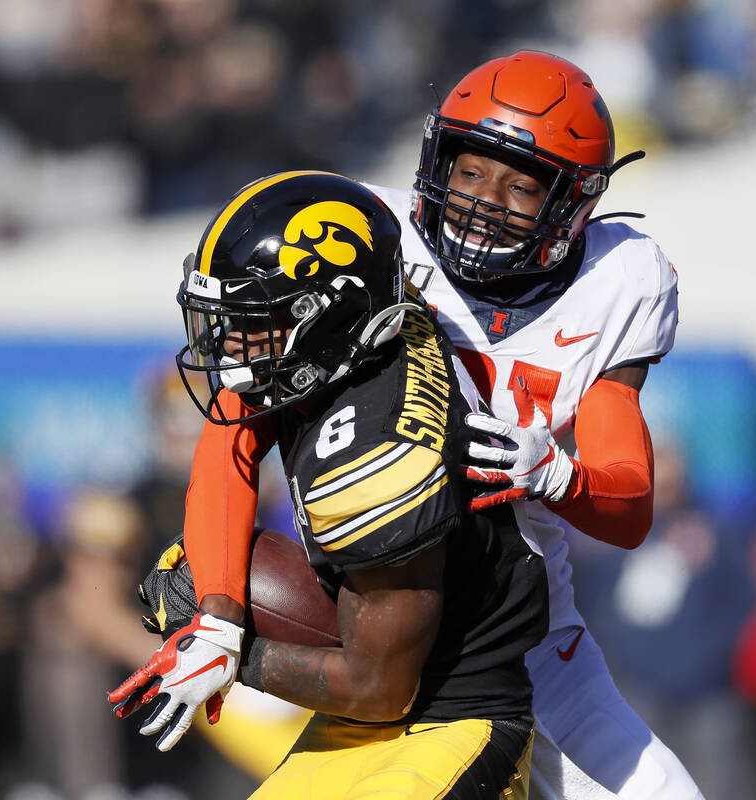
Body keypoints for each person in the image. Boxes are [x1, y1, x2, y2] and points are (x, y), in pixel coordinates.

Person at [178, 51, 702, 799]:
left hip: (523, 637)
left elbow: (627, 507)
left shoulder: (619, 281)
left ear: (574, 203)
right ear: (435, 159)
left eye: (522, 186)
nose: (485, 201)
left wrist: (558, 474)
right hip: (375, 607)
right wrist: (222, 614)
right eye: (469, 172)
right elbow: (233, 424)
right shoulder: (362, 234)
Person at [109, 171, 549, 799]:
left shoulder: (375, 459)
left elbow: (380, 689)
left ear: (326, 316)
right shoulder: (355, 335)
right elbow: (229, 437)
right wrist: (219, 615)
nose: (228, 344)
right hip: (361, 718)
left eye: (252, 320)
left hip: (445, 720)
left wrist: (237, 658)